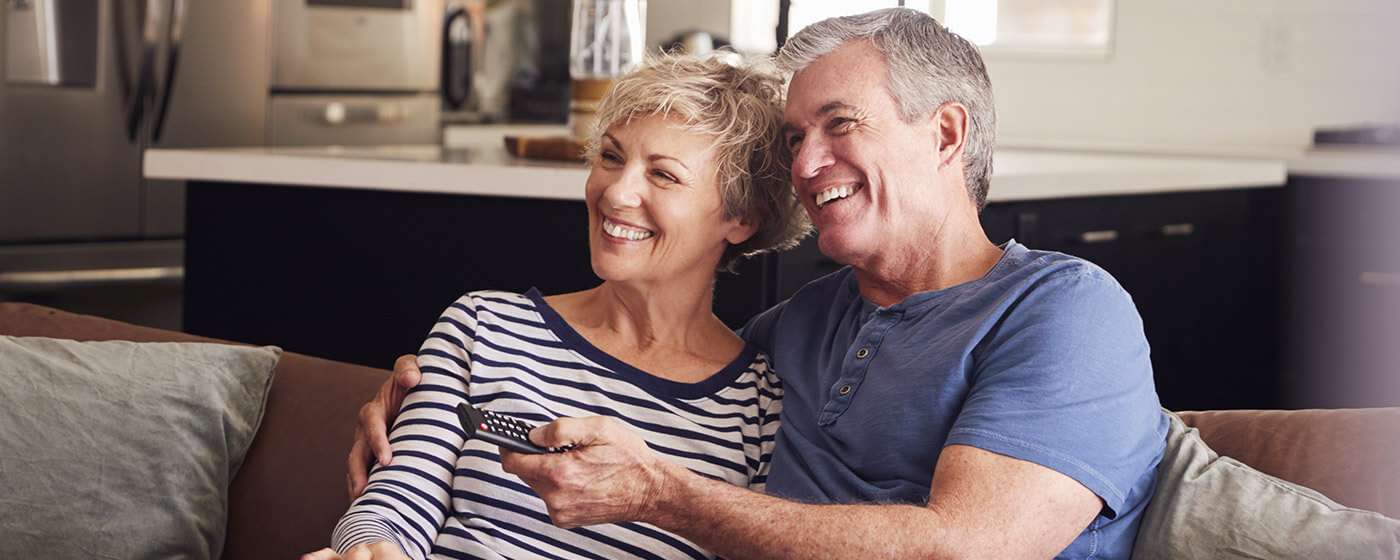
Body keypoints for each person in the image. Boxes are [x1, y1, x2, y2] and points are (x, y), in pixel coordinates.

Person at [351, 8, 1168, 559]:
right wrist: (427, 405)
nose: (806, 166)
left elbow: (969, 550)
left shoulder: (1064, 309)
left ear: (946, 131)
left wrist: (665, 494)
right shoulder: (795, 334)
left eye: (839, 124)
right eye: (793, 138)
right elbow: (650, 375)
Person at [306, 53, 808, 560]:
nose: (616, 192)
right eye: (612, 157)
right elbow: (391, 508)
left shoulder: (761, 408)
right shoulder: (484, 325)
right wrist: (370, 549)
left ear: (740, 217)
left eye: (663, 176)